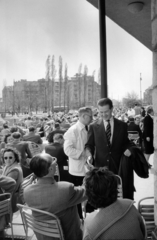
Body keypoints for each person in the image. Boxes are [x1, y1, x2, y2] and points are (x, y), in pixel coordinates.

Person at [24, 153, 86, 240]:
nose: (55, 162)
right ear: (51, 168)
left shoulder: (27, 191)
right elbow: (87, 192)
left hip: (43, 235)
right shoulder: (65, 189)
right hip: (69, 236)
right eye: (53, 160)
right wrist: (87, 173)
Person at [83, 167, 145, 240]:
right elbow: (143, 234)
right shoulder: (130, 206)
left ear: (89, 196)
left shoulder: (90, 228)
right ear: (115, 188)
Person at [85, 98, 131, 174]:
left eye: (106, 111)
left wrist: (129, 149)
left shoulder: (123, 125)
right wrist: (89, 155)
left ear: (112, 109)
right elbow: (89, 145)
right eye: (101, 112)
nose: (103, 115)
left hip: (118, 166)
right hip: (100, 168)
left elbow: (126, 143)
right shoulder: (93, 126)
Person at [64, 107, 93, 218]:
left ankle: (86, 214)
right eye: (90, 116)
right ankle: (79, 218)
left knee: (87, 193)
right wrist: (84, 154)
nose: (92, 118)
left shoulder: (87, 128)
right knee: (78, 196)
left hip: (85, 168)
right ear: (83, 116)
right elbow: (67, 150)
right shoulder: (73, 130)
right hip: (77, 170)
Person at [1, 147, 23, 212]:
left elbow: (6, 186)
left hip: (8, 198)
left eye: (10, 157)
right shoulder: (11, 165)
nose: (8, 160)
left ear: (15, 157)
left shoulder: (14, 170)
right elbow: (4, 173)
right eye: (5, 158)